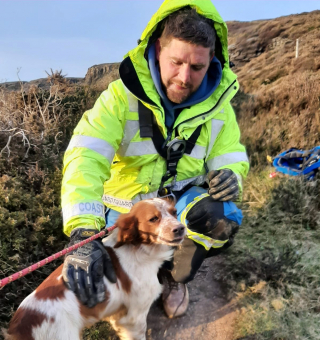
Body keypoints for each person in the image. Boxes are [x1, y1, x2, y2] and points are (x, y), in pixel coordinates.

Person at [61, 0, 249, 318]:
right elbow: (85, 157)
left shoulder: (222, 110)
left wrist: (231, 174)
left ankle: (173, 278)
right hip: (125, 212)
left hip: (181, 205)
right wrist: (83, 233)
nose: (184, 78)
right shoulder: (118, 99)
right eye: (176, 62)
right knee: (100, 285)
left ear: (212, 60)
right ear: (159, 48)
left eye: (197, 67)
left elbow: (230, 156)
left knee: (219, 218)